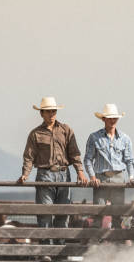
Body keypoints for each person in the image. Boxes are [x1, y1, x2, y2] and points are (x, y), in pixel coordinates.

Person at [17, 96, 88, 244]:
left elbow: (74, 153)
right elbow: (29, 157)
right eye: (48, 111)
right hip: (45, 174)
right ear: (41, 113)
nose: (51, 114)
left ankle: (59, 248)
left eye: (53, 111)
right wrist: (25, 174)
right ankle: (46, 249)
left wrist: (80, 171)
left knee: (63, 213)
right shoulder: (35, 134)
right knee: (45, 213)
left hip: (63, 173)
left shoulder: (66, 130)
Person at [84, 103, 134, 228]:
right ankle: (95, 245)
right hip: (100, 179)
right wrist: (92, 177)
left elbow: (129, 161)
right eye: (110, 118)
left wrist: (131, 177)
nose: (112, 120)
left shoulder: (125, 139)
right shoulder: (94, 137)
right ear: (103, 119)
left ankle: (116, 245)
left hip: (118, 178)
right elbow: (88, 159)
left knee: (118, 215)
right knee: (98, 214)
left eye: (115, 118)